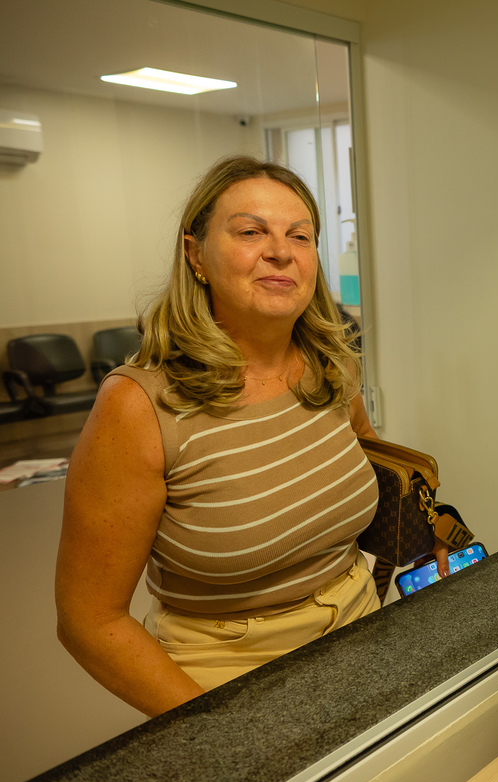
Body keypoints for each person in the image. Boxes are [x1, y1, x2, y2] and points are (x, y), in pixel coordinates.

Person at [55, 156, 446, 717]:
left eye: (300, 236)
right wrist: (217, 733)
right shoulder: (138, 405)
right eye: (250, 231)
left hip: (363, 628)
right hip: (229, 676)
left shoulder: (332, 366)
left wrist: (428, 530)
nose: (281, 252)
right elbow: (89, 620)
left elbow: (370, 469)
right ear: (196, 255)